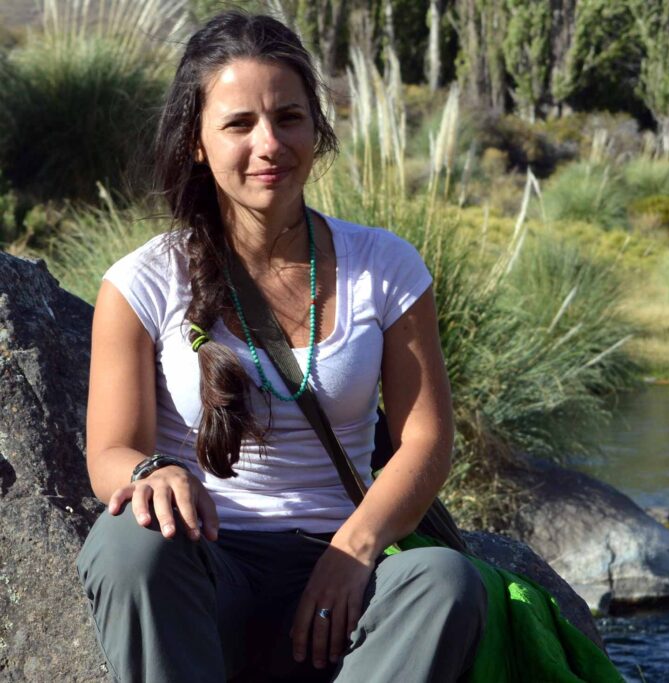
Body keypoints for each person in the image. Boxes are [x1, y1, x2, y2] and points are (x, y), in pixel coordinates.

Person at [75, 11, 486, 683]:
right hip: (205, 572)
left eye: (289, 118)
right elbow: (109, 453)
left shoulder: (386, 266)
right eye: (239, 124)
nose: (269, 143)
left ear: (316, 132)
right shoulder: (140, 282)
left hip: (343, 577)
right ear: (197, 143)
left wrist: (356, 546)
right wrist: (154, 472)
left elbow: (425, 441)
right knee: (128, 543)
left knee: (442, 580)